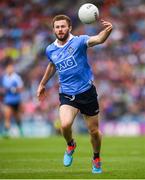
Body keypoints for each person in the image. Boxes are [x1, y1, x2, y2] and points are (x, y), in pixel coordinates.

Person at [37, 14, 112, 173]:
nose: (60, 29)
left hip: (87, 93)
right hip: (67, 94)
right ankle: (71, 144)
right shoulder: (50, 49)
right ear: (54, 30)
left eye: (63, 26)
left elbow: (98, 39)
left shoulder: (79, 41)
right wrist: (42, 84)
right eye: (57, 27)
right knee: (64, 125)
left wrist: (108, 31)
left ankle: (96, 157)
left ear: (69, 27)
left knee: (94, 132)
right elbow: (52, 65)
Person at [0, 59, 24, 137]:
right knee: (7, 116)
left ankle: (21, 130)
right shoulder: (4, 78)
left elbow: (21, 88)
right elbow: (2, 89)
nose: (10, 69)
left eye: (11, 68)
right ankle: (6, 132)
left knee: (17, 117)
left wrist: (13, 89)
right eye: (8, 68)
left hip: (16, 100)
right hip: (8, 100)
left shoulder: (16, 77)